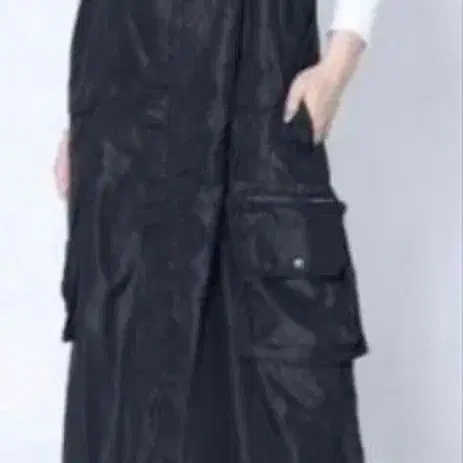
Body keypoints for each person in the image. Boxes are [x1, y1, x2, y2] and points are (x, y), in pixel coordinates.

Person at [54, 1, 381, 462]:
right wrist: (80, 124)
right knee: (126, 386)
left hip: (255, 90)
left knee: (281, 387)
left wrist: (338, 64)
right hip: (123, 125)